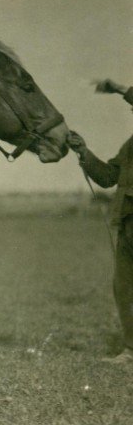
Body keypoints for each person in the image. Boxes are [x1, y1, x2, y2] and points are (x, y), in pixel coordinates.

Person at [68, 79, 133, 363]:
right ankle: (131, 350)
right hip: (128, 224)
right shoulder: (130, 146)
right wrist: (83, 151)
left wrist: (120, 90)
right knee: (124, 288)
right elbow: (108, 177)